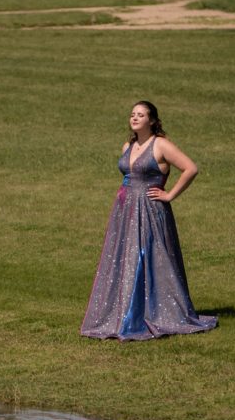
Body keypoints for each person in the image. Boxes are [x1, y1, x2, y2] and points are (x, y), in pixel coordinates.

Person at [80, 101, 217, 341]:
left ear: (151, 120)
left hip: (150, 211)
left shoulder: (161, 145)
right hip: (126, 212)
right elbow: (129, 176)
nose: (134, 118)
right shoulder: (128, 145)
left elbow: (190, 168)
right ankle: (126, 312)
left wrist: (170, 194)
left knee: (149, 257)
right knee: (126, 258)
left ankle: (155, 313)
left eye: (140, 115)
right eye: (132, 114)